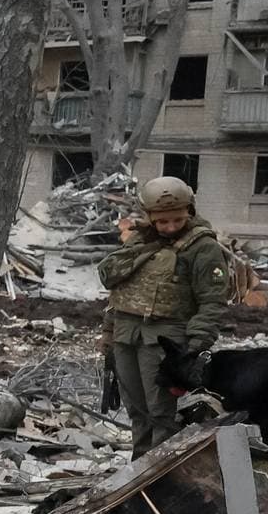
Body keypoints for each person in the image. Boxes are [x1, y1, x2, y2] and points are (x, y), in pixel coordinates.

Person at [97, 175, 230, 457]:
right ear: (150, 217)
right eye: (162, 222)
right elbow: (119, 290)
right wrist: (108, 334)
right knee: (136, 408)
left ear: (189, 213)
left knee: (161, 411)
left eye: (177, 220)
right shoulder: (139, 240)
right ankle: (139, 466)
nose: (170, 227)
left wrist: (195, 346)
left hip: (165, 339)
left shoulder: (202, 247)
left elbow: (212, 301)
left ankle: (159, 471)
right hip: (126, 332)